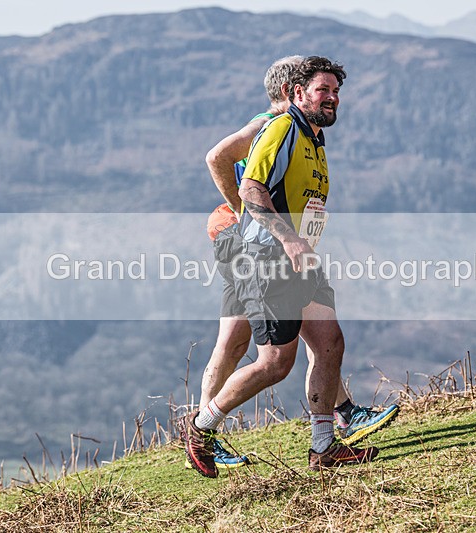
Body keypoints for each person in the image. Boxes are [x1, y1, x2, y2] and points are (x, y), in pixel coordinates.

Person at [184, 56, 385, 478]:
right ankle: (200, 429)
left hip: (299, 259)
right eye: (322, 90)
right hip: (268, 260)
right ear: (297, 93)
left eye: (335, 91)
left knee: (329, 342)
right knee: (275, 363)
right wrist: (286, 237)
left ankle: (324, 446)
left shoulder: (313, 137)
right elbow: (251, 187)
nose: (332, 99)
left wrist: (304, 243)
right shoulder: (280, 127)